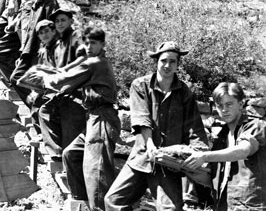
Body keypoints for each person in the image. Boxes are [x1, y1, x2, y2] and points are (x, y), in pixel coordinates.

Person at [105, 41, 209, 211]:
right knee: (113, 201)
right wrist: (150, 145)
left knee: (171, 209)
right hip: (142, 156)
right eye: (163, 61)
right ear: (156, 61)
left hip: (168, 163)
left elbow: (194, 128)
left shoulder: (185, 92)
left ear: (178, 64)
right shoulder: (140, 85)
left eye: (172, 61)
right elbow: (142, 117)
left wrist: (199, 155)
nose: (167, 65)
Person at [43, 27, 121, 211]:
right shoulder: (91, 62)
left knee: (97, 171)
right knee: (71, 154)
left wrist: (47, 79)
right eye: (86, 43)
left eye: (93, 43)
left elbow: (62, 80)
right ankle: (84, 201)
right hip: (93, 118)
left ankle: (100, 208)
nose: (88, 46)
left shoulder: (96, 63)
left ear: (102, 44)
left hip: (103, 118)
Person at [183, 82, 266, 211]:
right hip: (226, 205)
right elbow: (212, 180)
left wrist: (204, 156)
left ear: (240, 104)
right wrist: (187, 167)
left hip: (251, 205)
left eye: (229, 104)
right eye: (220, 105)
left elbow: (243, 150)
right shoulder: (221, 138)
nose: (224, 110)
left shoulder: (255, 126)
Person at [36, 7, 88, 159]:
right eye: (57, 21)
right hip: (64, 91)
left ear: (71, 21)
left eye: (63, 20)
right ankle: (58, 154)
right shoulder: (60, 42)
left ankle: (71, 160)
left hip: (79, 91)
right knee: (45, 111)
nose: (59, 23)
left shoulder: (77, 37)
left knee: (69, 116)